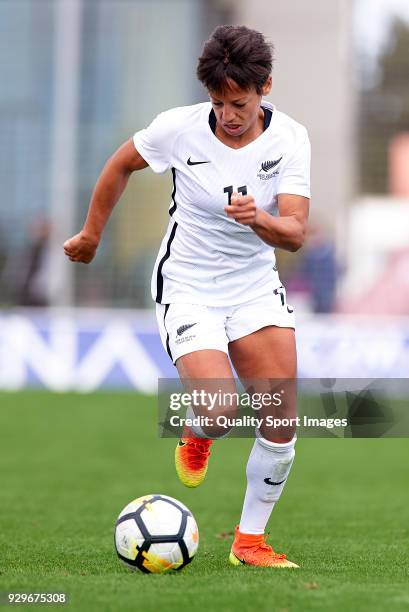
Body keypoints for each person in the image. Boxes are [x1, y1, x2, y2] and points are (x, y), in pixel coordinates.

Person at [64, 25, 310, 568]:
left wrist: (261, 221)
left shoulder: (291, 139)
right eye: (219, 102)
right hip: (189, 285)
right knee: (221, 412)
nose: (227, 114)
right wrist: (91, 234)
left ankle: (250, 543)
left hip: (253, 286)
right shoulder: (178, 129)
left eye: (239, 103)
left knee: (280, 415)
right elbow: (119, 164)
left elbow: (294, 233)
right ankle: (199, 432)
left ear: (265, 87)